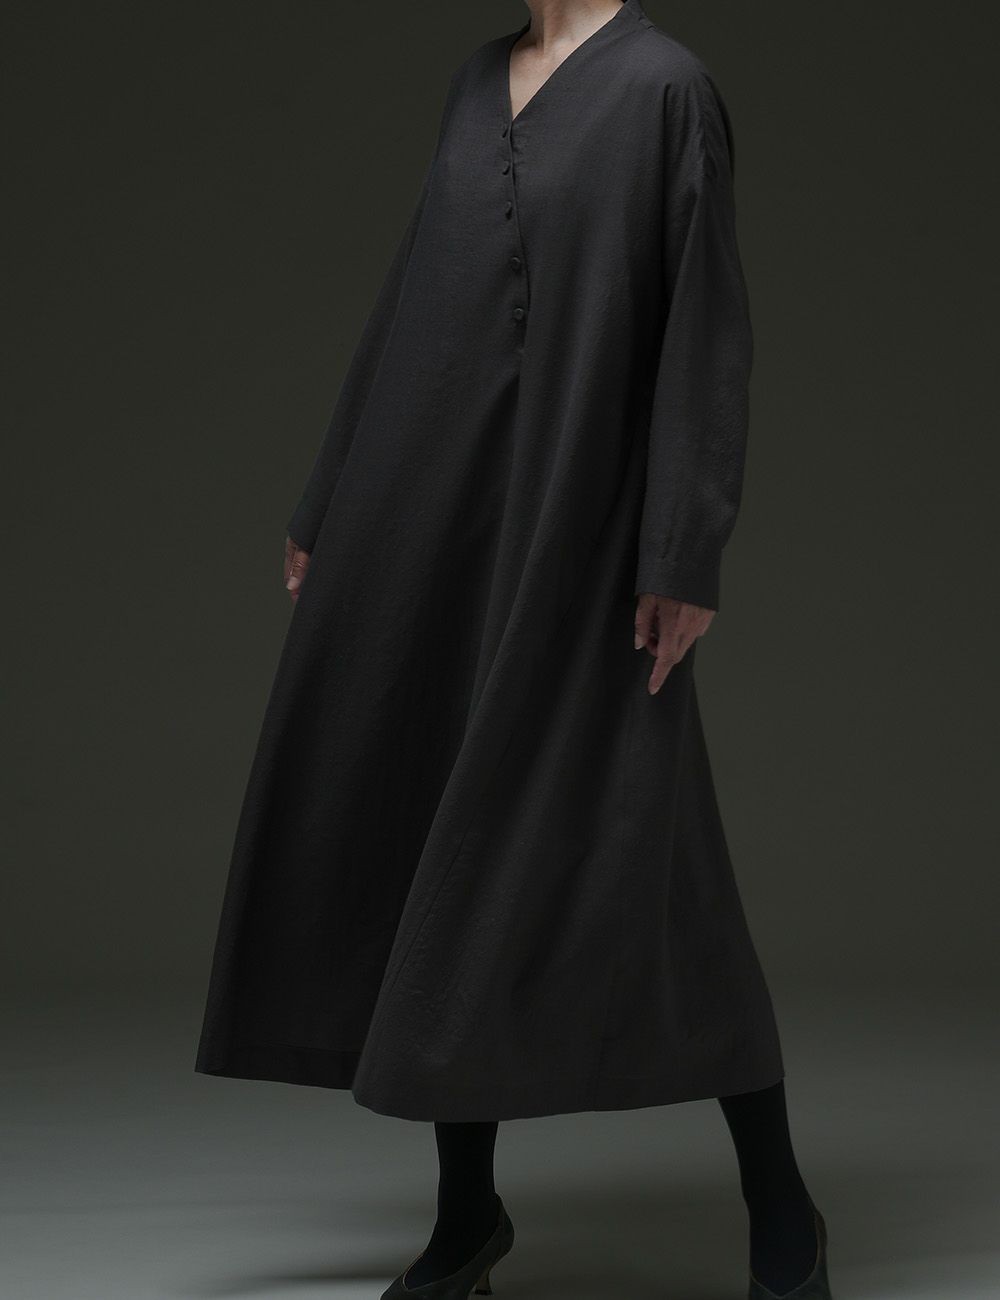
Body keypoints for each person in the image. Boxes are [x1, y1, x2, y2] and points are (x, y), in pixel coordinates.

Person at [195, 2, 835, 1297]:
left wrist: (683, 549)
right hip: (432, 510)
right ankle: (468, 1218)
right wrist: (330, 499)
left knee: (657, 866)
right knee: (442, 833)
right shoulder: (478, 79)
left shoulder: (665, 90)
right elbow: (411, 297)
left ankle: (783, 1205)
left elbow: (706, 322)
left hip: (576, 527)